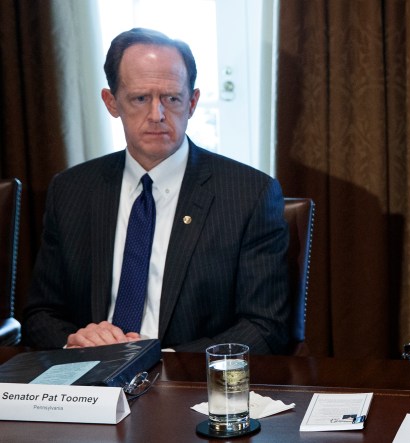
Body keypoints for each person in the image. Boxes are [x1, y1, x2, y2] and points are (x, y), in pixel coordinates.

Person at [22, 28, 291, 353]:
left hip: (187, 384)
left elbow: (265, 327)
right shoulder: (71, 190)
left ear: (192, 103)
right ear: (111, 102)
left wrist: (164, 363)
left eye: (171, 98)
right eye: (140, 98)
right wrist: (74, 342)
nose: (157, 115)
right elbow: (40, 314)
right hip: (90, 382)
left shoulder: (249, 194)